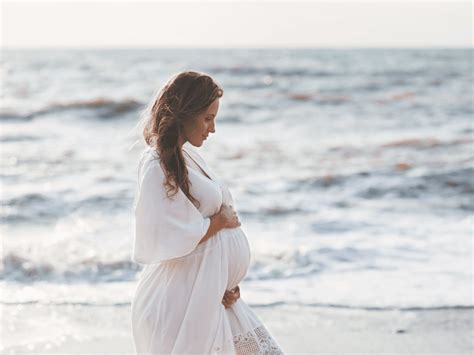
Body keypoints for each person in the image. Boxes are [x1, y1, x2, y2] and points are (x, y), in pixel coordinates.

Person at [130, 71, 285, 354]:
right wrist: (219, 221)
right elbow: (164, 234)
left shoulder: (186, 156)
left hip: (207, 293)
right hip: (182, 299)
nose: (212, 128)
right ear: (184, 113)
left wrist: (222, 281)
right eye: (207, 118)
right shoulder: (155, 164)